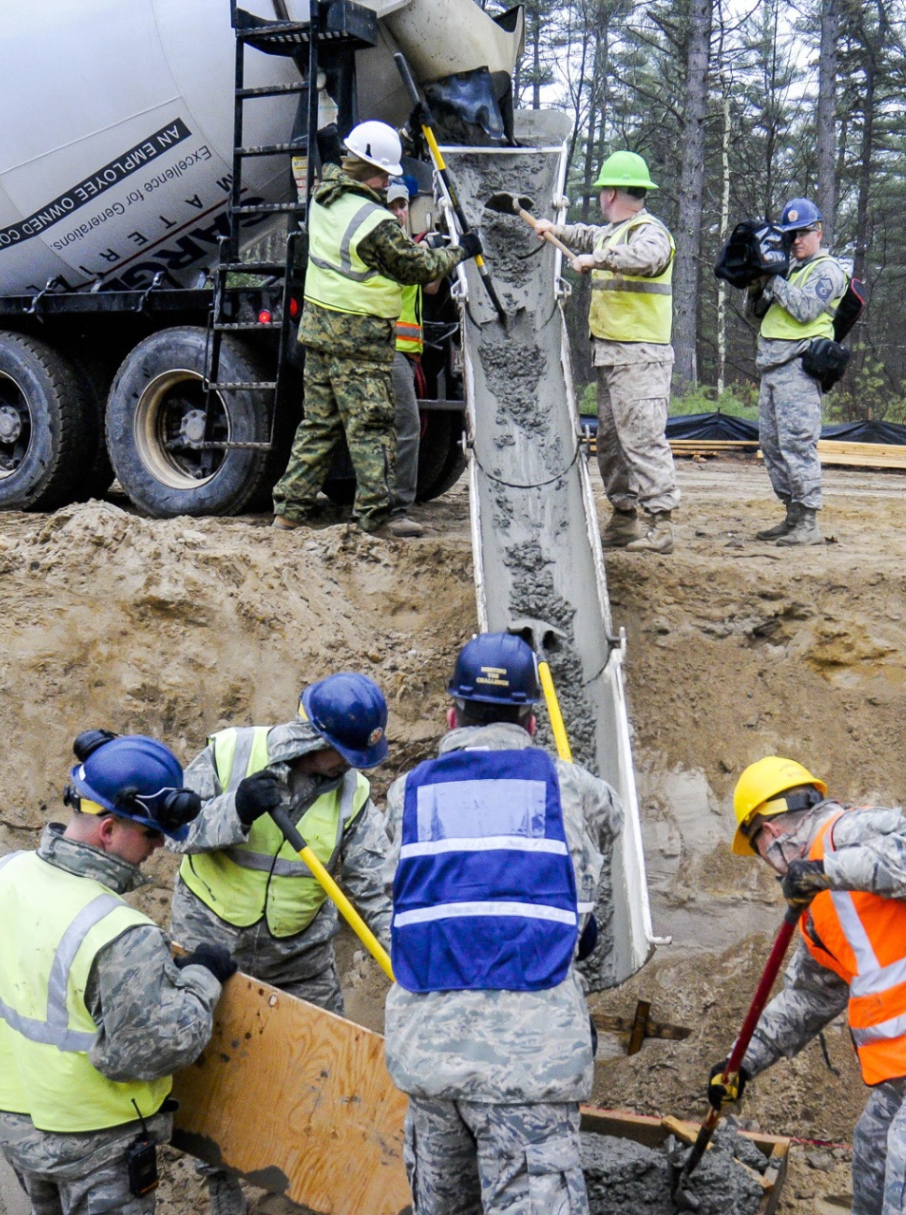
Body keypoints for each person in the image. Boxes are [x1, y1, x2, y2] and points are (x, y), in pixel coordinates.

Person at [711, 756, 906, 1215]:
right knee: (874, 1156)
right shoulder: (817, 907)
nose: (769, 865)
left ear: (771, 832)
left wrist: (830, 870)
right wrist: (740, 1064)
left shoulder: (848, 832)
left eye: (760, 849)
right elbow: (810, 997)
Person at [0, 731, 235, 1215]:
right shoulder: (121, 933)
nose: (158, 847)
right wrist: (202, 980)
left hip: (11, 1125)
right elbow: (147, 1052)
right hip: (94, 1146)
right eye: (151, 834)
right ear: (109, 829)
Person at [382, 632, 619, 1215]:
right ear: (532, 723)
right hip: (529, 1065)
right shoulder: (574, 787)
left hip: (431, 1061)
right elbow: (599, 848)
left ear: (450, 713)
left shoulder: (404, 793)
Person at [169, 673, 394, 1215]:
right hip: (210, 948)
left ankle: (306, 1188)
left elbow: (377, 891)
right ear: (310, 738)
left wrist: (407, 962)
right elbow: (173, 831)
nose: (346, 767)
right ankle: (222, 1190)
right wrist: (236, 809)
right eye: (338, 753)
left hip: (299, 958)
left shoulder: (354, 796)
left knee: (325, 1072)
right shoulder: (230, 753)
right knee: (210, 1075)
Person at [274, 121, 476, 539]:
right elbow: (418, 268)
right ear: (371, 171)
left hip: (318, 333)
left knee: (318, 424)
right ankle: (375, 517)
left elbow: (334, 165)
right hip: (358, 340)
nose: (388, 182)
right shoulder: (374, 220)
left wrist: (337, 143)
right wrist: (461, 251)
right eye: (385, 173)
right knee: (372, 427)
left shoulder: (324, 195)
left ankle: (290, 510)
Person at [534, 151, 679, 554]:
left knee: (643, 439)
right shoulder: (612, 231)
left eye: (603, 191)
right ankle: (625, 519)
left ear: (612, 192)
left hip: (640, 357)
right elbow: (585, 235)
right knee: (613, 444)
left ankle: (661, 524)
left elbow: (647, 258)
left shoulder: (650, 232)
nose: (601, 197)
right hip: (612, 355)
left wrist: (599, 259)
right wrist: (555, 230)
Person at [748, 198, 848, 547]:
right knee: (772, 445)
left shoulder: (828, 270)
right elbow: (758, 312)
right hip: (773, 365)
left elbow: (806, 309)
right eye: (791, 235)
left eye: (804, 233)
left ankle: (808, 520)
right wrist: (757, 281)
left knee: (797, 444)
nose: (797, 241)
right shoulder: (789, 270)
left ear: (819, 232)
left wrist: (773, 279)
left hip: (799, 366)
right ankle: (792, 514)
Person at [387, 179, 440, 537]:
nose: (400, 212)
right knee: (404, 427)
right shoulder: (386, 246)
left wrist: (436, 250)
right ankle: (394, 511)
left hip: (405, 353)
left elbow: (431, 285)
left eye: (403, 204)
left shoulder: (406, 245)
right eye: (392, 205)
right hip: (386, 350)